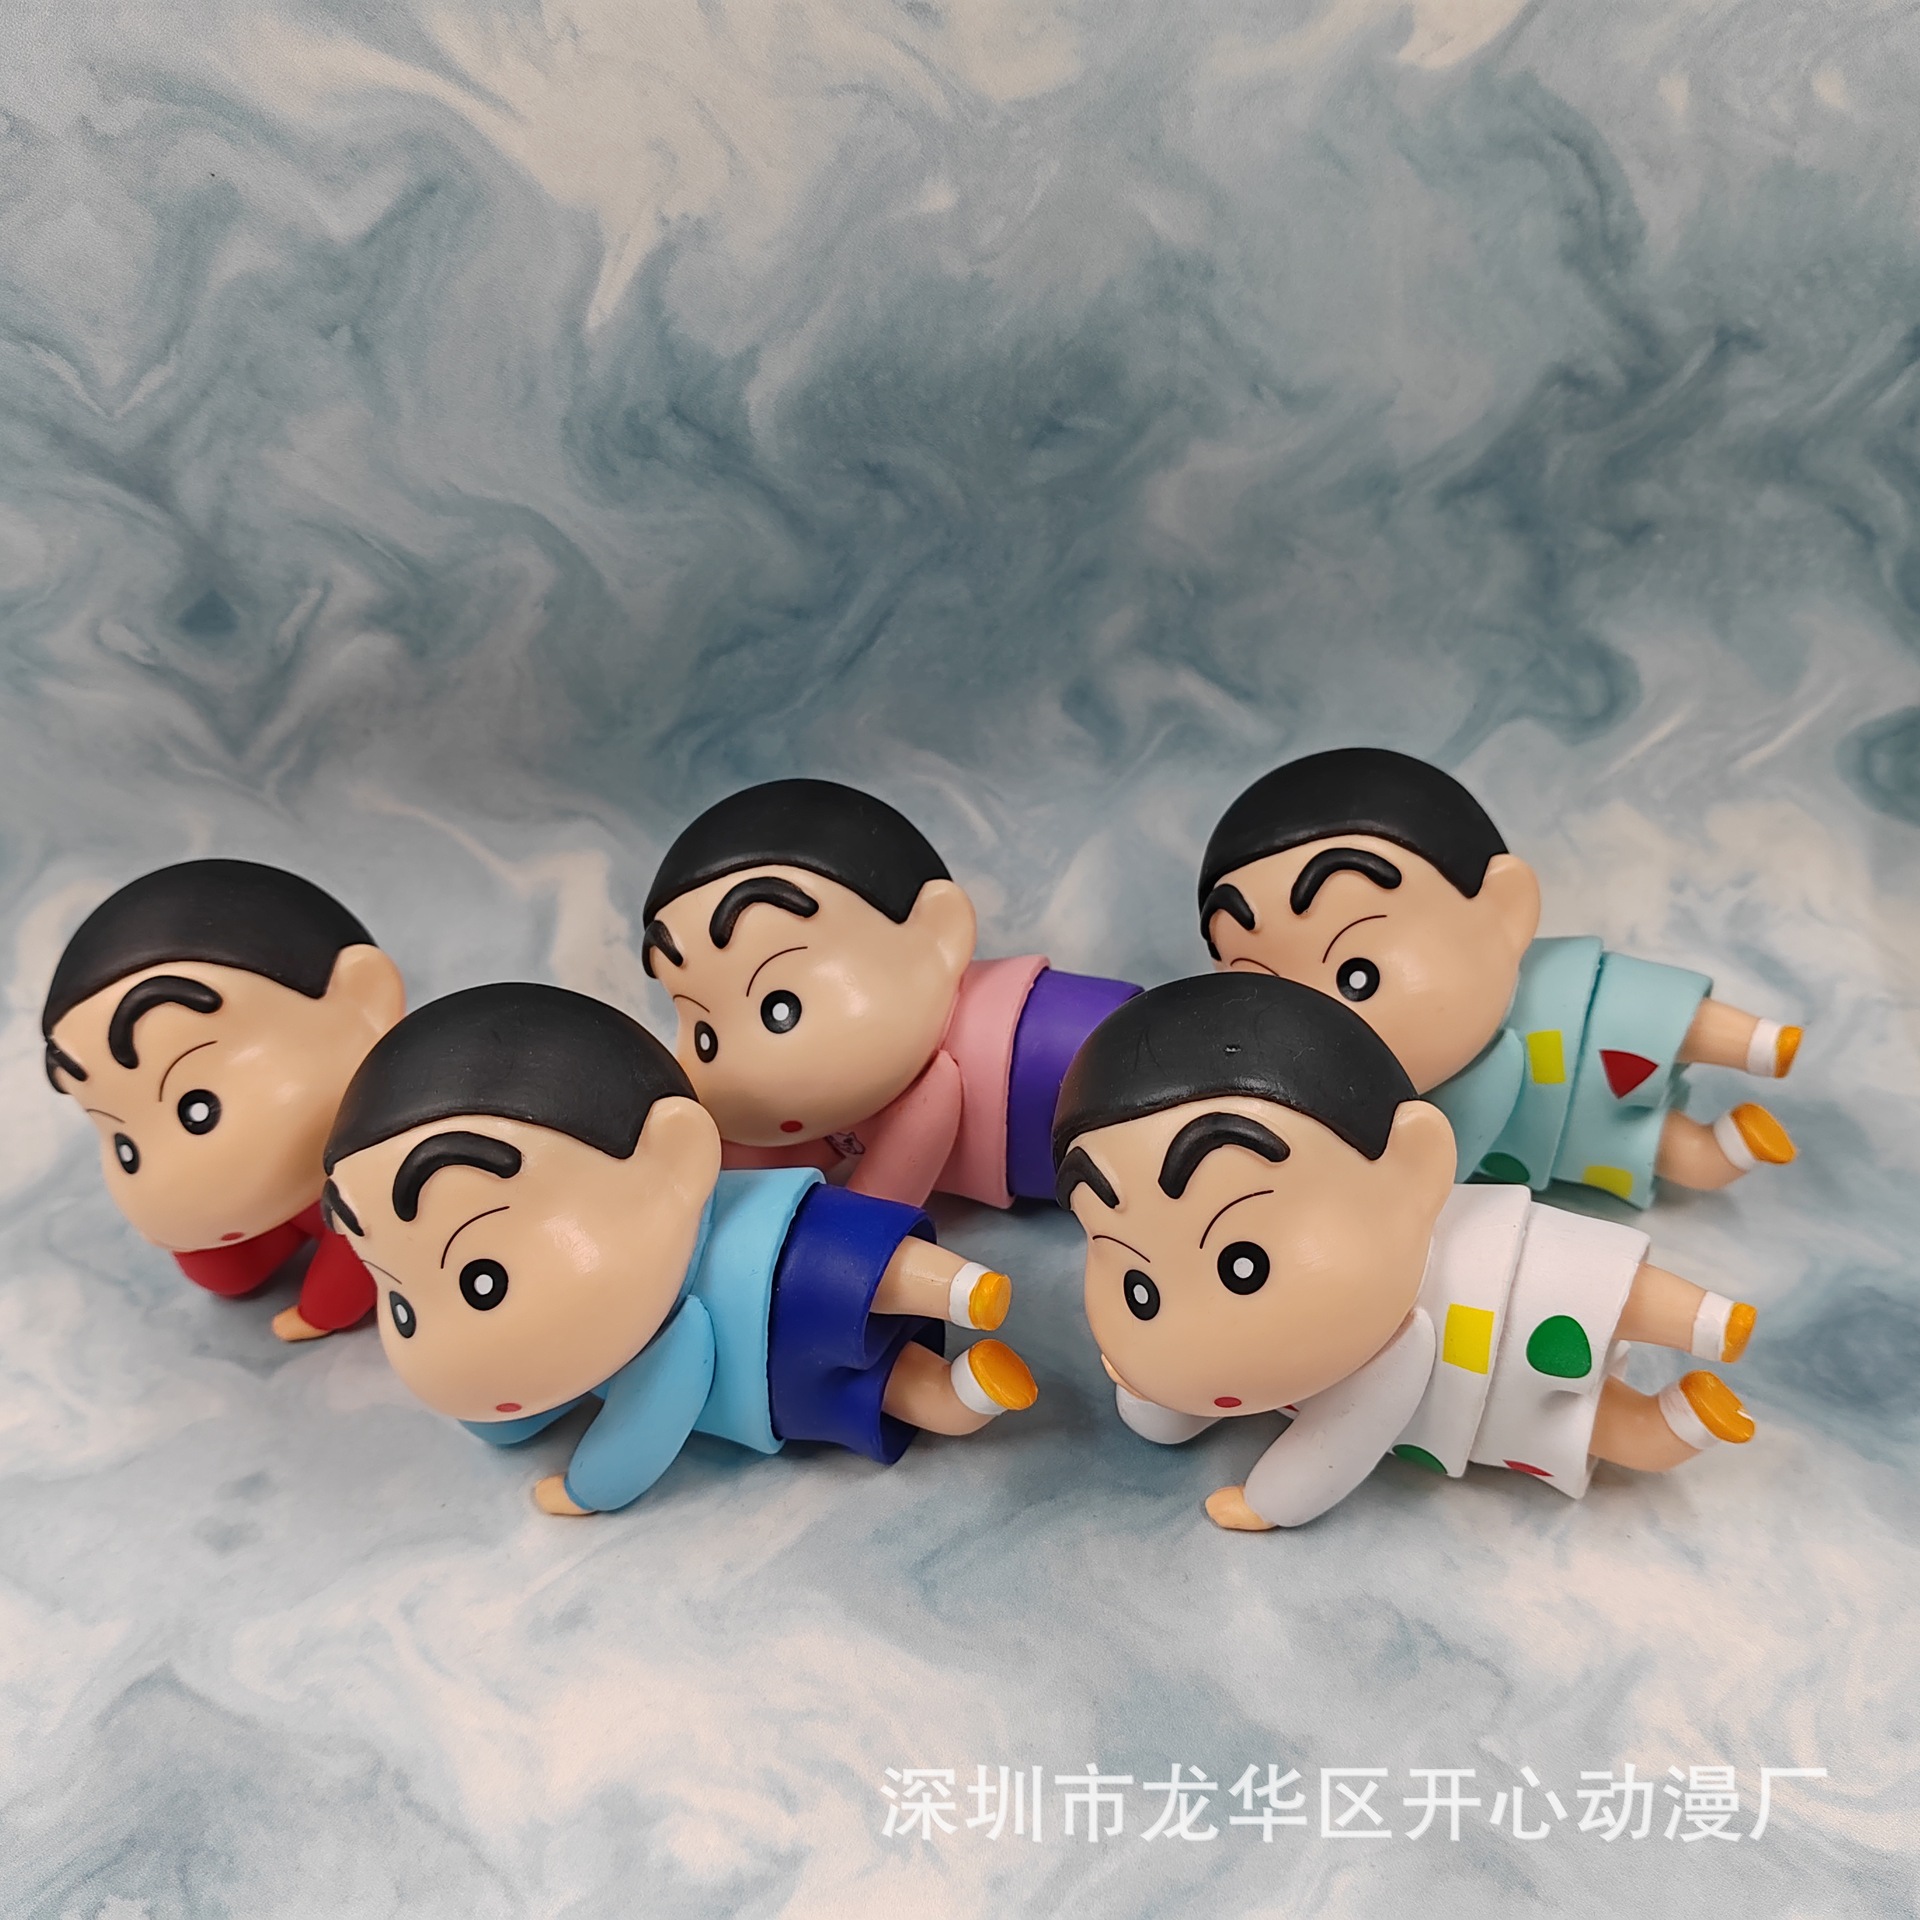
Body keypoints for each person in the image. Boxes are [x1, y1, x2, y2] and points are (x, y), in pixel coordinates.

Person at [1052, 972, 1759, 1532]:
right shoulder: (1273, 1365)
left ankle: (1708, 1320)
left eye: (1245, 1264)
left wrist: (1273, 1501)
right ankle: (1683, 1421)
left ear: (1413, 1170)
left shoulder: (1380, 1350)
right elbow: (1166, 1417)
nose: (1194, 1332)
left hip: (1513, 1289)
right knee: (1606, 1430)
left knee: (1605, 1290)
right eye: (1138, 1288)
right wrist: (1146, 1381)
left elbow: (1338, 1441)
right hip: (1492, 1416)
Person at [323, 982, 1039, 1515]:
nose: (435, 1341)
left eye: (484, 1279)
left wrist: (593, 1487)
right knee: (891, 1390)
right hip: (782, 1390)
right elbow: (507, 1415)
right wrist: (501, 1413)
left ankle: (962, 1292)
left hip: (795, 1255)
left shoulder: (666, 1334)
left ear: (676, 1163)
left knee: (870, 1272)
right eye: (400, 1301)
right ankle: (967, 1391)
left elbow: (649, 1420)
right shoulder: (603, 1350)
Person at [1197, 746, 1801, 1208]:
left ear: (1504, 910)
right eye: (1270, 990)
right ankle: (1724, 1148)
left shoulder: (1568, 988)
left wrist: (1752, 1041)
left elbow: (1660, 1011)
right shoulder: (1396, 1122)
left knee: (1654, 1020)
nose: (1320, 1019)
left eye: (1357, 973)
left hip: (1586, 1038)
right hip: (1570, 1151)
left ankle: (1759, 1044)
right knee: (1666, 1152)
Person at [641, 778, 1138, 1208]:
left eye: (780, 1008)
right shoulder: (838, 1107)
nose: (742, 1066)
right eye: (704, 1035)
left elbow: (877, 1207)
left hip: (1111, 1086)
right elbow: (798, 1151)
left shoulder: (925, 1082)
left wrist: (849, 1231)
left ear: (938, 934)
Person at [42, 859, 402, 1340]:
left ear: (363, 1003)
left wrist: (321, 1312)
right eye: (125, 1146)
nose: (164, 1173)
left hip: (353, 1206)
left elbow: (361, 1258)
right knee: (225, 1270)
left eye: (198, 1108)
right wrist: (180, 1226)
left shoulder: (399, 1148)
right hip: (278, 1218)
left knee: (359, 1239)